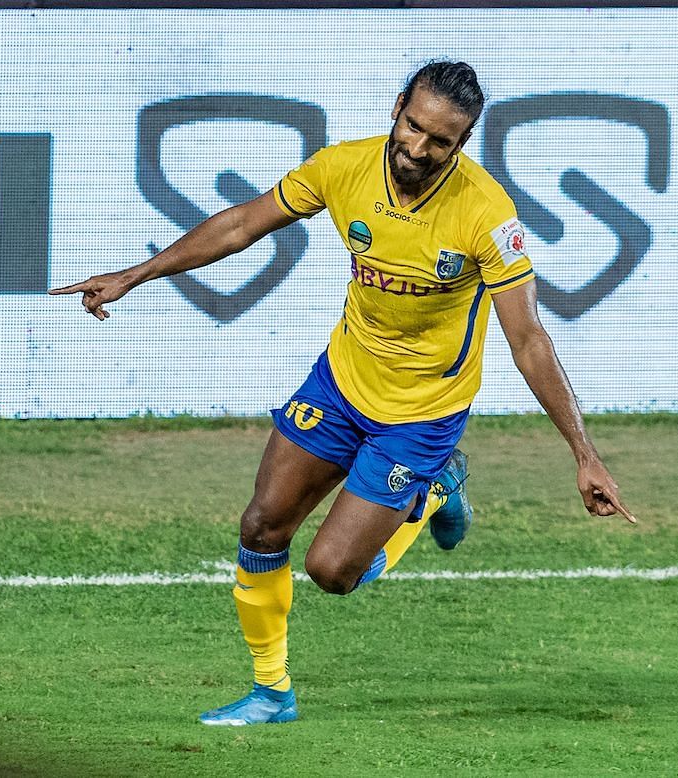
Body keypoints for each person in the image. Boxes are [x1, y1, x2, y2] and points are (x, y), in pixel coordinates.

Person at [50, 61, 636, 726]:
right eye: (412, 127)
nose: (417, 148)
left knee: (333, 572)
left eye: (439, 141)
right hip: (341, 382)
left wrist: (583, 453)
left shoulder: (486, 215)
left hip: (421, 414)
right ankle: (272, 693)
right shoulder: (343, 167)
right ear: (396, 108)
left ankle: (433, 489)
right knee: (262, 525)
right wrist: (139, 273)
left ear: (463, 142)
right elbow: (245, 223)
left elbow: (528, 337)